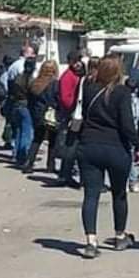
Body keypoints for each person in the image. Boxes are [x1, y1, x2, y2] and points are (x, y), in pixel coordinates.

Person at [76, 56, 138, 259]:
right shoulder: (122, 92)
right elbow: (127, 123)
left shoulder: (89, 88)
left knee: (91, 195)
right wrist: (137, 145)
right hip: (116, 147)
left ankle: (90, 242)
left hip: (89, 144)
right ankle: (120, 236)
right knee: (119, 194)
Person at [55, 50, 86, 188]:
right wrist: (75, 107)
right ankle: (65, 175)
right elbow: (65, 99)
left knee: (73, 146)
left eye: (79, 61)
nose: (78, 64)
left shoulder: (78, 75)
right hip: (71, 115)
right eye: (75, 61)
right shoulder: (68, 76)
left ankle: (65, 174)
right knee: (71, 146)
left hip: (75, 114)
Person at [23, 60, 60, 174]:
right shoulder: (55, 84)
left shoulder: (35, 83)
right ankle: (50, 165)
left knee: (37, 138)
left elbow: (30, 100)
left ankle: (28, 163)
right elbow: (55, 99)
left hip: (37, 113)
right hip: (50, 114)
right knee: (53, 140)